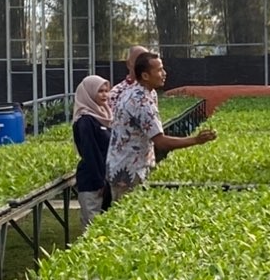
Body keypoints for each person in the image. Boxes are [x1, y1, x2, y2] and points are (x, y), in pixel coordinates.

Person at [106, 52, 217, 201]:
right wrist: (196, 140)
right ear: (145, 76)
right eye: (159, 70)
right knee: (127, 215)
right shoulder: (141, 101)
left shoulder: (136, 92)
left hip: (126, 165)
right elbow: (161, 142)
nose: (164, 74)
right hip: (128, 172)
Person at [72, 75, 113, 229]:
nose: (105, 95)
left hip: (105, 179)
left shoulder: (104, 115)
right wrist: (99, 181)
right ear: (88, 93)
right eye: (100, 91)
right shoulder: (85, 121)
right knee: (92, 225)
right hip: (93, 181)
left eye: (106, 91)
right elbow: (90, 153)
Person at [108, 45, 151, 111]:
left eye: (146, 61)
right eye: (138, 61)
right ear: (128, 64)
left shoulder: (150, 90)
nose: (143, 65)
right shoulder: (116, 94)